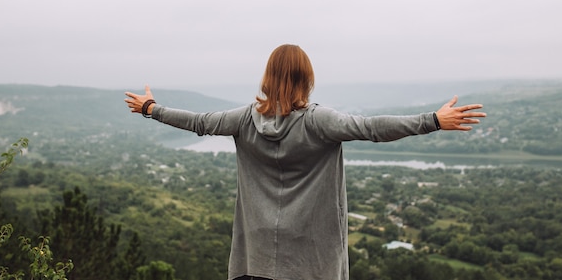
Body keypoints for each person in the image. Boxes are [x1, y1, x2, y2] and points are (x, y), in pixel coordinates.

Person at [125, 44, 486, 280]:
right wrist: (434, 121)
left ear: (268, 78)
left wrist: (150, 109)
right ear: (307, 78)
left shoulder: (243, 119)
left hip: (257, 256)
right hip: (311, 262)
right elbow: (372, 128)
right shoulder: (318, 121)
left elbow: (199, 122)